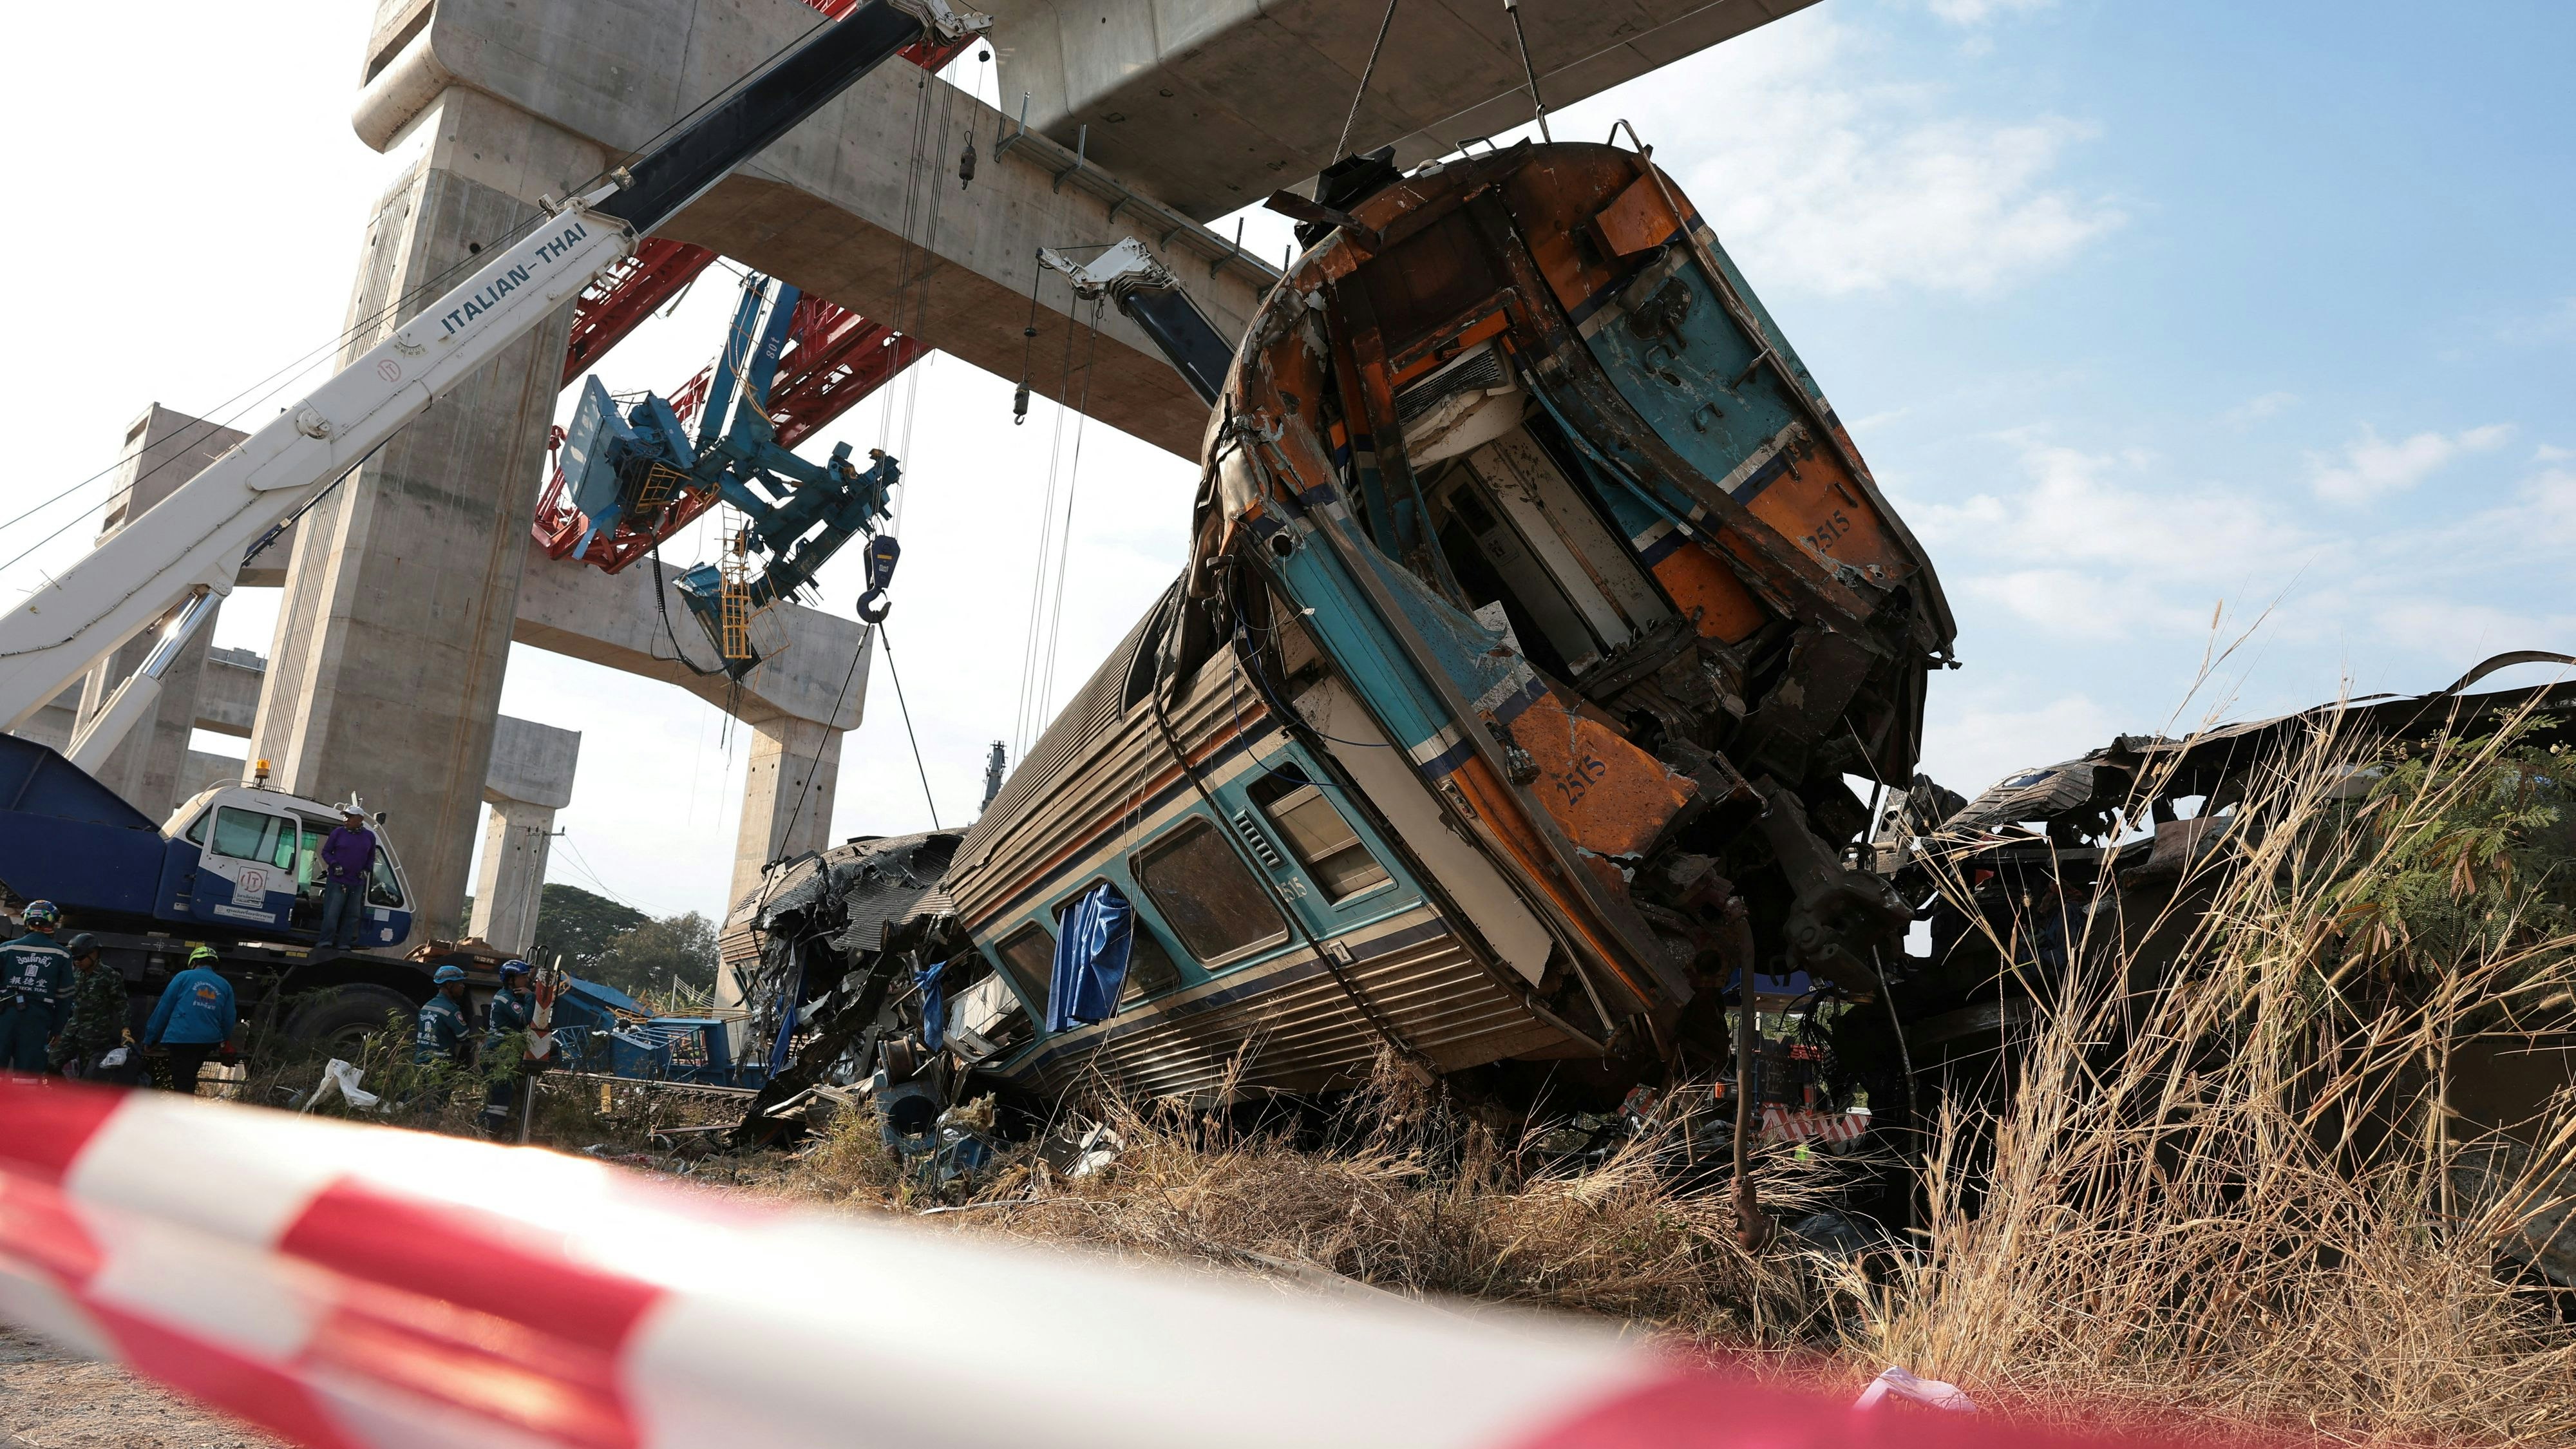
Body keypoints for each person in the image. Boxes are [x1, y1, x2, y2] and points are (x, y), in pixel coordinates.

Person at [143, 945, 237, 1095]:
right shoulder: (225, 985)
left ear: (194, 962)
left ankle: (183, 1108)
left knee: (182, 1083)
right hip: (207, 1041)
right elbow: (229, 1018)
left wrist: (151, 1038)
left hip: (181, 1038)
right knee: (187, 1078)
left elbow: (164, 1008)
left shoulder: (183, 977)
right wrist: (223, 1043)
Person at [0, 900, 73, 1074]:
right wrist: (58, 1030)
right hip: (37, 1020)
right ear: (52, 923)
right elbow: (65, 997)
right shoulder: (62, 954)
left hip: (4, 1017)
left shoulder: (5, 949)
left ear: (27, 921)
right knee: (28, 1074)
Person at [51, 934, 129, 1081]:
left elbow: (122, 1004)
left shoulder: (110, 976)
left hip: (95, 1035)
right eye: (74, 959)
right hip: (72, 1030)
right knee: (52, 1062)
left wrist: (126, 1029)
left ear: (94, 954)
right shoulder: (75, 974)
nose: (77, 962)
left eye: (80, 958)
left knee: (89, 1075)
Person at [480, 960, 534, 1137]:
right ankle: (490, 1134)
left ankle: (485, 1131)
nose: (526, 980)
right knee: (500, 1099)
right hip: (499, 1053)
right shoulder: (506, 999)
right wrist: (531, 997)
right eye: (523, 976)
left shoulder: (509, 996)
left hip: (500, 1050)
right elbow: (525, 1018)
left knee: (498, 1097)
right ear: (511, 980)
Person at [316, 805, 378, 950]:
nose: (346, 819)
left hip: (357, 883)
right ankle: (325, 942)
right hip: (337, 881)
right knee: (332, 913)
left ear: (360, 819)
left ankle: (344, 944)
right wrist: (334, 864)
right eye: (346, 816)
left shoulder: (369, 836)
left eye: (350, 817)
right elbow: (326, 852)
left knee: (352, 915)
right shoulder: (338, 833)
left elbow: (371, 858)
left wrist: (366, 870)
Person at [415, 964, 473, 1067]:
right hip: (440, 1064)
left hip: (420, 1063)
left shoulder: (427, 1006)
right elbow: (463, 1036)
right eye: (460, 983)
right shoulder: (451, 1009)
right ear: (449, 985)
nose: (463, 986)